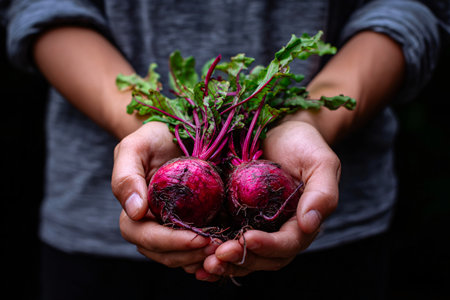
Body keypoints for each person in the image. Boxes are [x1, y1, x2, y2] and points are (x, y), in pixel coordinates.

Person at [5, 0, 446, 299]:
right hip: (92, 242)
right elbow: (43, 8)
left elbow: (410, 8)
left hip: (337, 241)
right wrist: (144, 123)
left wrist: (310, 119)